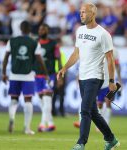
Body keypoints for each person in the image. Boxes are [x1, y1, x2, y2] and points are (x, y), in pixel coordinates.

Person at [57, 3, 120, 150]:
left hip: (96, 76)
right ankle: (111, 139)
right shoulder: (79, 31)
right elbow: (76, 53)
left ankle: (81, 143)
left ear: (93, 13)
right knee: (93, 112)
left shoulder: (103, 34)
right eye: (80, 12)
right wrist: (64, 68)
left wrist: (111, 81)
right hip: (82, 76)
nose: (81, 14)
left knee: (84, 110)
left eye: (84, 12)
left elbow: (110, 59)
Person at [2, 21, 48, 135]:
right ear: (30, 30)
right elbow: (39, 60)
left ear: (20, 28)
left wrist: (3, 73)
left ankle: (12, 118)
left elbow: (6, 58)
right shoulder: (34, 43)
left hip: (14, 74)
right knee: (28, 100)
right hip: (28, 76)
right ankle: (27, 128)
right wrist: (46, 73)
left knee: (14, 99)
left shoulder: (11, 41)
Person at [34, 23, 61, 132]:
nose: (41, 31)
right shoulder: (35, 43)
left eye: (43, 29)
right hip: (37, 75)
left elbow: (58, 59)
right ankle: (50, 123)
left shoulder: (53, 44)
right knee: (42, 100)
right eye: (40, 29)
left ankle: (42, 124)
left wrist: (60, 75)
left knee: (47, 99)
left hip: (49, 75)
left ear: (47, 31)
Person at [97, 48, 122, 125]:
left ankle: (106, 122)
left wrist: (119, 80)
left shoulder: (115, 51)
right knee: (100, 103)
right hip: (102, 80)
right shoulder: (100, 49)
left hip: (112, 80)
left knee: (108, 101)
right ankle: (100, 123)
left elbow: (117, 65)